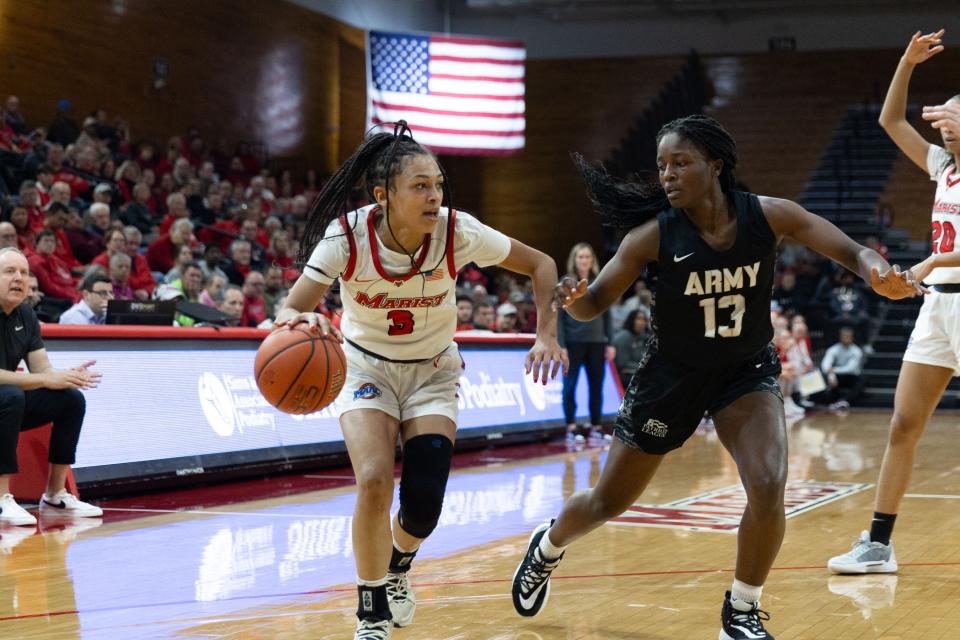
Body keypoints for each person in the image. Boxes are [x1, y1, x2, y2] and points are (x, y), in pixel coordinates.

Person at [509, 114, 920, 640]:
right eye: (662, 166)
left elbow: (850, 250)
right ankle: (548, 545)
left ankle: (742, 611)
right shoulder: (649, 237)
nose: (668, 176)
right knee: (607, 502)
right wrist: (572, 301)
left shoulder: (769, 216)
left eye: (681, 163)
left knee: (770, 485)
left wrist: (874, 270)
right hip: (670, 378)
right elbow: (592, 305)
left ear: (716, 165)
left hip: (743, 372)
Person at [274, 123, 566, 640]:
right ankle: (370, 610)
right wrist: (305, 320)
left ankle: (397, 567)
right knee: (372, 480)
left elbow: (542, 265)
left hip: (433, 371)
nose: (435, 196)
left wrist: (546, 334)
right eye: (420, 186)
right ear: (383, 196)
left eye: (437, 184)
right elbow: (291, 307)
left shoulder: (458, 231)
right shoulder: (347, 236)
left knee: (424, 501)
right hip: (366, 368)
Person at [827, 29, 960, 575]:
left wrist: (927, 264)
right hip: (938, 308)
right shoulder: (942, 167)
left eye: (954, 116)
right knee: (903, 424)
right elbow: (891, 122)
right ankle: (879, 545)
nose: (945, 123)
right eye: (945, 115)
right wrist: (905, 64)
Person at [0, 247, 103, 525]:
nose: (19, 278)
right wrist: (46, 379)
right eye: (10, 272)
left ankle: (55, 494)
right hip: (5, 399)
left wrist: (65, 376)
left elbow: (41, 369)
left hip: (7, 402)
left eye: (24, 272)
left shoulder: (25, 315)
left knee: (70, 399)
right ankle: (1, 499)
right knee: (10, 396)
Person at [558, 242, 614, 440]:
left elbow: (607, 314)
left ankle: (596, 426)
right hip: (573, 342)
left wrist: (610, 342)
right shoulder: (565, 284)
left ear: (592, 260)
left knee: (596, 385)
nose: (584, 260)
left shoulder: (599, 282)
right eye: (580, 256)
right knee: (570, 385)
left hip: (597, 342)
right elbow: (558, 317)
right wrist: (561, 345)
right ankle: (571, 426)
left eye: (587, 257)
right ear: (574, 260)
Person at [820, 326, 865, 409]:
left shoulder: (857, 351)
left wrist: (834, 370)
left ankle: (845, 401)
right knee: (826, 377)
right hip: (837, 377)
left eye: (849, 336)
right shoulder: (833, 349)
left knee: (862, 379)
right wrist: (831, 375)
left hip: (851, 376)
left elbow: (851, 368)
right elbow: (825, 365)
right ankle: (831, 401)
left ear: (852, 337)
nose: (846, 338)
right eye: (844, 336)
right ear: (840, 337)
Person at [611, 308, 652, 386]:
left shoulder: (643, 338)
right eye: (638, 319)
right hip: (621, 376)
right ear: (631, 320)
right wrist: (645, 367)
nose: (641, 322)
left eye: (644, 320)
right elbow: (622, 364)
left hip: (635, 371)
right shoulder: (624, 336)